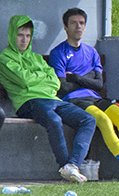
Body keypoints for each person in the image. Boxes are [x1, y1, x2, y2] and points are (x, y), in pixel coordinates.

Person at [49, 8, 119, 181]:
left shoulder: (91, 53)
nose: (78, 27)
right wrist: (87, 78)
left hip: (95, 97)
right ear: (66, 27)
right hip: (74, 100)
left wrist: (75, 76)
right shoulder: (58, 53)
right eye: (73, 23)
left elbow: (98, 84)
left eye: (81, 23)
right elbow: (63, 87)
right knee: (103, 120)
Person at [0, 16, 96, 183]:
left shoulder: (36, 58)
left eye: (28, 36)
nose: (24, 40)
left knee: (88, 119)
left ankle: (72, 166)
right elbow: (23, 80)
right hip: (28, 102)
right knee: (54, 121)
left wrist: (35, 79)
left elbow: (55, 81)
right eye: (20, 35)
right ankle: (66, 166)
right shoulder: (5, 58)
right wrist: (41, 78)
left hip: (52, 99)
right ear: (12, 35)